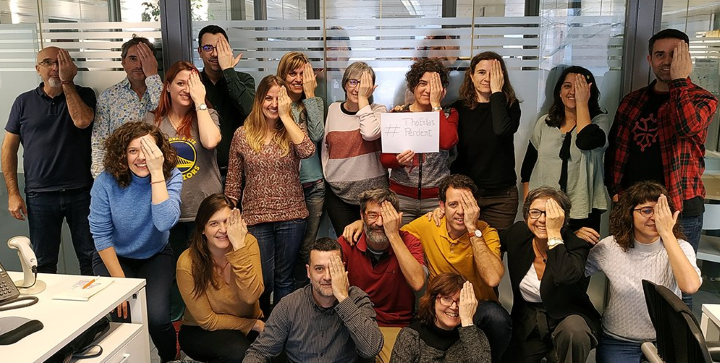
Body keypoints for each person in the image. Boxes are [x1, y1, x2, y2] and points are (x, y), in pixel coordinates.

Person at [349, 174, 511, 362]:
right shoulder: (427, 224)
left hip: (474, 308)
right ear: (441, 206)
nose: (460, 211)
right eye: (453, 205)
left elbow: (492, 278)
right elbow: (391, 229)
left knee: (497, 319)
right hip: (439, 306)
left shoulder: (485, 232)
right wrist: (364, 222)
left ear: (476, 207)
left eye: (466, 205)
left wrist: (472, 228)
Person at [606, 28, 718, 253]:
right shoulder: (632, 101)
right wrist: (614, 188)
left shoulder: (703, 99)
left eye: (675, 55)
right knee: (628, 274)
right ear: (650, 59)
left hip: (680, 208)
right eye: (660, 55)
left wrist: (679, 80)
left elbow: (686, 127)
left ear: (686, 59)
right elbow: (616, 148)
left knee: (678, 282)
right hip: (633, 206)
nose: (667, 61)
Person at [89, 122, 182, 362]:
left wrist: (157, 172)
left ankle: (170, 357)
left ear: (159, 151)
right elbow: (100, 234)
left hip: (155, 254)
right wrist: (122, 287)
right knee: (123, 316)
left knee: (158, 318)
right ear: (122, 154)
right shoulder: (105, 182)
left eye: (148, 149)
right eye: (133, 151)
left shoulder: (172, 176)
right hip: (115, 256)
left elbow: (164, 223)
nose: (141, 157)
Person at [225, 75, 315, 314]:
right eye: (269, 98)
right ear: (259, 100)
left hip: (291, 215)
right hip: (256, 219)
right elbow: (234, 179)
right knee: (262, 280)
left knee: (284, 278)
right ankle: (262, 329)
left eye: (280, 99)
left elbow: (307, 150)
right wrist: (229, 212)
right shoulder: (242, 135)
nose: (274, 104)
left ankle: (282, 330)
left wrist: (287, 116)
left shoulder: (291, 130)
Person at [2, 46, 96, 275]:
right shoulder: (23, 102)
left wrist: (67, 83)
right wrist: (13, 193)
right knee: (43, 262)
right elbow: (8, 149)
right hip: (40, 195)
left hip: (81, 192)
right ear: (37, 69)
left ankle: (100, 312)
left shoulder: (84, 94)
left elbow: (83, 121)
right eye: (48, 63)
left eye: (61, 62)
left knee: (90, 257)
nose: (55, 68)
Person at [586, 181, 701, 363]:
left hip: (665, 341)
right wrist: (571, 240)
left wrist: (667, 235)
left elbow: (690, 286)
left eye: (661, 211)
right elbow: (573, 272)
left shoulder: (680, 247)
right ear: (629, 213)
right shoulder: (610, 247)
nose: (655, 217)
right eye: (647, 210)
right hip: (618, 341)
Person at [243, 237, 384, 362]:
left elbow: (371, 349)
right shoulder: (289, 305)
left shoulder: (357, 299)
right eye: (319, 269)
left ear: (343, 269)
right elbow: (259, 352)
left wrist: (343, 297)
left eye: (333, 268)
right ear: (308, 272)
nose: (327, 277)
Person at [501, 187, 600, 363]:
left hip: (567, 317)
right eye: (535, 212)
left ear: (562, 218)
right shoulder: (518, 234)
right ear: (526, 217)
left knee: (574, 331)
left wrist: (554, 234)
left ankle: (560, 350)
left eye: (550, 214)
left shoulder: (576, 245)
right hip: (529, 319)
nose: (542, 219)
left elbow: (564, 276)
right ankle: (549, 351)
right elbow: (490, 236)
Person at [521, 66, 610, 245]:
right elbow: (528, 168)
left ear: (589, 91)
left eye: (580, 87)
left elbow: (585, 141)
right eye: (567, 86)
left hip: (582, 211)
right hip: (544, 209)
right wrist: (528, 209)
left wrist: (582, 104)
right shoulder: (545, 123)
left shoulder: (599, 122)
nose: (572, 91)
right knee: (544, 265)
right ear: (559, 92)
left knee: (576, 268)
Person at [143, 61, 222, 261]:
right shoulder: (152, 121)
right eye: (180, 83)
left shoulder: (207, 114)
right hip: (169, 211)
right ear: (167, 86)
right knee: (175, 272)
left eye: (192, 84)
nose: (186, 89)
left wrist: (200, 101)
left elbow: (211, 141)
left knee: (207, 272)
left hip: (205, 211)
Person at [338, 189, 426, 362]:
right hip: (354, 322)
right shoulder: (347, 241)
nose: (379, 222)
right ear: (362, 216)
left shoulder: (410, 241)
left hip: (394, 325)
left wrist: (393, 234)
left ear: (398, 218)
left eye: (386, 216)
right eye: (372, 215)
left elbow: (417, 282)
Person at [177, 193, 265, 363]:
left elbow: (250, 296)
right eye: (213, 224)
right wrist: (251, 325)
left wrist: (239, 246)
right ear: (203, 229)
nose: (223, 230)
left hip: (249, 320)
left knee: (277, 353)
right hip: (201, 329)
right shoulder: (187, 262)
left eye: (227, 222)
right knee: (240, 354)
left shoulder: (248, 243)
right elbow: (208, 321)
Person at [381, 58, 459, 225]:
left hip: (436, 199)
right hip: (401, 197)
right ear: (413, 86)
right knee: (401, 246)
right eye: (422, 83)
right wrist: (398, 161)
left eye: (434, 84)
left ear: (442, 89)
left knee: (433, 248)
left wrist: (436, 105)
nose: (428, 89)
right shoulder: (398, 115)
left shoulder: (448, 114)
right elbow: (385, 159)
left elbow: (447, 142)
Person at [450, 51, 521, 232]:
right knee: (465, 253)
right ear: (471, 76)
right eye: (482, 72)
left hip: (501, 196)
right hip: (466, 193)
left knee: (494, 252)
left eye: (493, 73)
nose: (487, 78)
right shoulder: (459, 108)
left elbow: (501, 129)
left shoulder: (510, 105)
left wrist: (497, 92)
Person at [322, 61, 388, 235]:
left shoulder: (379, 110)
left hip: (373, 197)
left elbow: (369, 133)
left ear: (372, 88)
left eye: (364, 84)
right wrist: (329, 175)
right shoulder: (333, 109)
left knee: (372, 246)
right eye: (353, 82)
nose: (357, 88)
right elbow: (326, 148)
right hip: (338, 196)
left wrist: (363, 100)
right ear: (345, 84)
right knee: (346, 245)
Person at [276, 51, 325, 271]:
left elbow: (316, 135)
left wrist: (310, 93)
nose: (297, 79)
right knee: (287, 249)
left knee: (307, 248)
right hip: (286, 187)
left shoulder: (314, 102)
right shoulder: (274, 105)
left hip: (314, 184)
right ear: (283, 76)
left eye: (302, 73)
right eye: (292, 73)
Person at [91, 36, 161, 177]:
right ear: (123, 62)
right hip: (121, 175)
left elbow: (166, 115)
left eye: (144, 58)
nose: (138, 65)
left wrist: (152, 75)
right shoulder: (109, 97)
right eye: (133, 58)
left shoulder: (164, 92)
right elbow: (99, 141)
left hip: (158, 171)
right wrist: (100, 179)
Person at [197, 25, 256, 182]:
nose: (215, 53)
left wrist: (228, 70)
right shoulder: (193, 82)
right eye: (208, 48)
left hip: (240, 172)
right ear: (199, 52)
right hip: (203, 172)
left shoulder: (244, 80)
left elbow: (248, 109)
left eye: (220, 47)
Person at [390, 273, 491, 362]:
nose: (454, 307)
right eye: (447, 299)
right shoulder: (411, 336)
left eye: (460, 301)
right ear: (433, 301)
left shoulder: (475, 336)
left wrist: (467, 321)